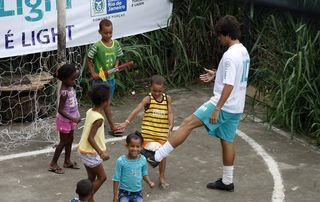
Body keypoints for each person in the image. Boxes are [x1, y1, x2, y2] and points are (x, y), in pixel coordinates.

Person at [142, 15, 250, 192]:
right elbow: (234, 77)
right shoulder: (243, 51)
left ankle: (157, 156)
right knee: (227, 140)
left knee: (187, 124)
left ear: (227, 34)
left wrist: (217, 108)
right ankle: (228, 181)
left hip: (223, 104)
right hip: (237, 106)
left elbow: (229, 85)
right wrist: (217, 74)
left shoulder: (230, 55)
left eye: (219, 36)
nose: (219, 39)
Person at [117, 75, 173, 189]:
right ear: (150, 88)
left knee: (163, 156)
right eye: (154, 90)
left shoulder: (167, 99)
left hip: (161, 135)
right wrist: (126, 122)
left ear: (164, 89)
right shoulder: (148, 99)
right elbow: (137, 109)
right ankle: (128, 171)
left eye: (159, 91)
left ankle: (162, 177)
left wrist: (170, 126)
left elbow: (170, 113)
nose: (156, 93)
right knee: (136, 153)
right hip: (147, 135)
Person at [87, 19, 124, 134]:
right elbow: (89, 59)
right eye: (105, 33)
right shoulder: (97, 46)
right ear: (100, 32)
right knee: (99, 105)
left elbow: (118, 56)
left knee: (106, 104)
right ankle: (104, 126)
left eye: (110, 33)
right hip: (99, 81)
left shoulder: (116, 44)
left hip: (110, 80)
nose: (108, 35)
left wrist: (116, 66)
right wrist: (93, 72)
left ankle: (102, 126)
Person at [78, 84, 111, 202]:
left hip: (83, 150)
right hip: (91, 153)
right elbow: (90, 138)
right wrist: (101, 153)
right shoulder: (99, 118)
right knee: (102, 177)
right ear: (105, 101)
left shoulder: (90, 111)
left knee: (91, 178)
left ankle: (90, 200)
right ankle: (85, 198)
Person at [49, 64, 81, 174]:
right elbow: (60, 110)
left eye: (75, 79)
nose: (74, 81)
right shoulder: (64, 92)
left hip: (71, 119)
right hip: (65, 120)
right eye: (72, 79)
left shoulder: (69, 85)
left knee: (70, 139)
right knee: (63, 141)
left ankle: (67, 161)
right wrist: (73, 118)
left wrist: (75, 70)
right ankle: (53, 163)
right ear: (63, 79)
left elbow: (76, 72)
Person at [112, 131, 155, 202]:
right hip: (124, 193)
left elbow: (144, 174)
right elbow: (116, 179)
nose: (135, 149)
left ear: (141, 147)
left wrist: (149, 182)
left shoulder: (143, 159)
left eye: (138, 146)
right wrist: (115, 195)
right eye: (132, 146)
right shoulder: (121, 161)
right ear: (127, 146)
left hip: (138, 193)